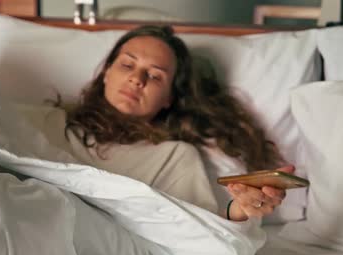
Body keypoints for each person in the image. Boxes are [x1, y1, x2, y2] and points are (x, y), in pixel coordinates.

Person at [43, 25, 291, 222]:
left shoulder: (173, 157)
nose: (136, 79)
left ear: (168, 98)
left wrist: (239, 210)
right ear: (106, 72)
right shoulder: (48, 120)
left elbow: (199, 233)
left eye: (154, 76)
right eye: (128, 65)